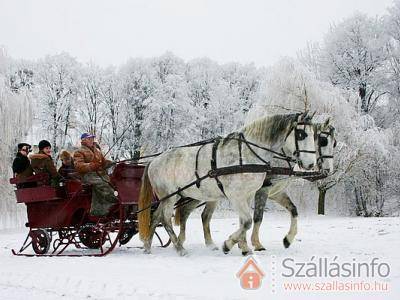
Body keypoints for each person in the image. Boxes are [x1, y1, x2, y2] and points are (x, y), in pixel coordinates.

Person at [73, 133, 116, 216]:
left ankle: (104, 208)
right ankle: (114, 200)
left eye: (92, 138)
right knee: (102, 184)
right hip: (88, 175)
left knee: (112, 183)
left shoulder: (97, 151)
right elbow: (78, 166)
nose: (92, 140)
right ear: (83, 140)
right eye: (89, 139)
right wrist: (90, 166)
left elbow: (103, 163)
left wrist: (109, 163)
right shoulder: (79, 152)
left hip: (100, 175)